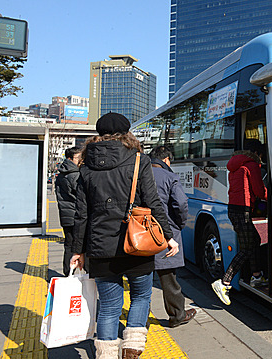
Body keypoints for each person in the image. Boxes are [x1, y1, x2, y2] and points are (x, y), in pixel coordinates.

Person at [70, 113, 179, 359]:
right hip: (137, 244)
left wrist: (77, 250)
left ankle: (106, 355)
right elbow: (153, 202)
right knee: (141, 295)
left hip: (100, 247)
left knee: (108, 306)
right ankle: (131, 348)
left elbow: (81, 214)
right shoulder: (138, 160)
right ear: (127, 133)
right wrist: (169, 236)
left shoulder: (86, 166)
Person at [212, 139, 268, 306]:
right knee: (247, 248)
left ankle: (256, 276)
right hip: (242, 210)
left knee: (255, 241)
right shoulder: (251, 165)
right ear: (257, 153)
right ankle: (223, 283)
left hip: (234, 209)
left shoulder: (235, 164)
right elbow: (259, 190)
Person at [148, 145, 196, 328]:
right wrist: (178, 225)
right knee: (169, 279)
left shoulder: (138, 174)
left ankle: (140, 319)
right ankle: (177, 315)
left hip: (139, 234)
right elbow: (181, 204)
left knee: (141, 280)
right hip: (165, 235)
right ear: (166, 160)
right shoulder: (169, 177)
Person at [55, 146, 82, 276]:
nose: (81, 160)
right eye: (78, 157)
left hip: (65, 215)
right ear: (70, 159)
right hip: (75, 215)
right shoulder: (74, 175)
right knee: (78, 246)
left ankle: (68, 273)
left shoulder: (61, 174)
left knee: (68, 245)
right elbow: (81, 194)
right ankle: (81, 273)